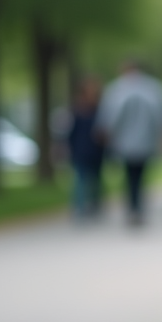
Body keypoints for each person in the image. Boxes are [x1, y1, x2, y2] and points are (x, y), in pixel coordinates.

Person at [95, 61, 162, 227]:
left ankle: (132, 208)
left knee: (130, 176)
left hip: (124, 143)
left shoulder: (115, 89)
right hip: (147, 142)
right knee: (141, 176)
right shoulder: (154, 88)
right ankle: (138, 208)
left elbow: (108, 117)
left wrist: (108, 134)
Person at [67, 77, 105, 219]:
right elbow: (70, 131)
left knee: (96, 180)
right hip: (80, 149)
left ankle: (95, 206)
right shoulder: (76, 108)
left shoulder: (100, 108)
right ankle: (80, 208)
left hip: (96, 150)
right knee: (80, 180)